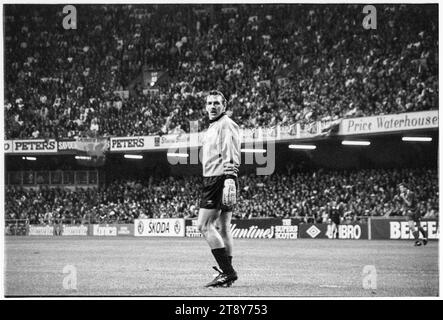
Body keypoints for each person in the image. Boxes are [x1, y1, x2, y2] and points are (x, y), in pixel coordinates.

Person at [197, 90, 241, 287]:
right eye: (209, 103)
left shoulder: (225, 124)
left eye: (217, 103)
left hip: (219, 179)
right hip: (221, 178)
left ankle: (228, 272)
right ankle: (227, 275)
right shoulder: (215, 126)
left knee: (204, 226)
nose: (212, 106)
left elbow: (229, 151)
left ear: (225, 105)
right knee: (224, 229)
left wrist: (230, 178)